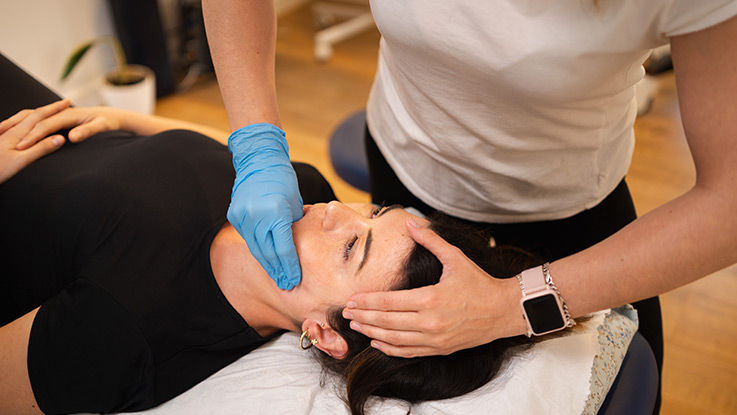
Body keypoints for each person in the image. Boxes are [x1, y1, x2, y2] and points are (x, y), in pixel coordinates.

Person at [202, 2, 737, 412]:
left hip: (572, 216)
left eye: (356, 238)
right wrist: (256, 143)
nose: (334, 207)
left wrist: (511, 306)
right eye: (363, 225)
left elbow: (728, 204)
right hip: (404, 167)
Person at [0, 54, 581, 415]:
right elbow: (215, 152)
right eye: (375, 213)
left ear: (323, 334)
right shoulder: (294, 187)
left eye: (355, 247)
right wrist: (126, 121)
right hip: (50, 118)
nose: (336, 210)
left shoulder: (128, 333)